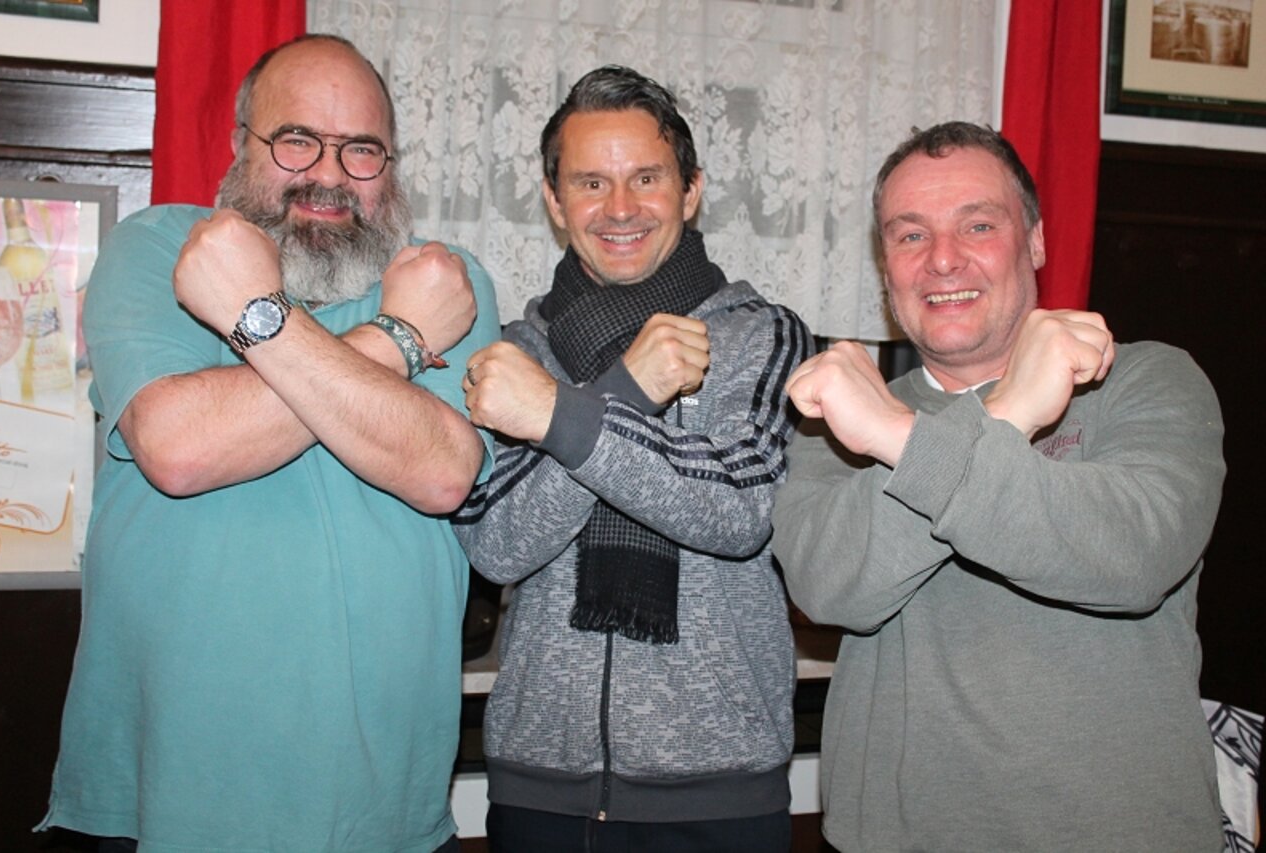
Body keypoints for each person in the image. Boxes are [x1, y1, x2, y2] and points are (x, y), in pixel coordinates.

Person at [39, 35, 499, 853]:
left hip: (378, 808)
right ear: (240, 143)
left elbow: (441, 471)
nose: (329, 174)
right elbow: (179, 447)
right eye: (296, 140)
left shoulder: (440, 279)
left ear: (391, 167)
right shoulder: (163, 250)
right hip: (163, 798)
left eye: (361, 150)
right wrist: (398, 340)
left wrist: (266, 325)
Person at [772, 121, 1226, 852]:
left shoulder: (1145, 379)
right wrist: (1007, 414)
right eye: (910, 234)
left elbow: (1131, 559)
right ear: (885, 267)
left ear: (1036, 240)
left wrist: (897, 437)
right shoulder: (841, 416)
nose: (942, 258)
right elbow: (830, 586)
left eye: (978, 225)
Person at [450, 65, 812, 853]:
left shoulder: (762, 335)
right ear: (554, 202)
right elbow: (498, 544)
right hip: (539, 787)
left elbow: (739, 511)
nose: (619, 208)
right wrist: (627, 389)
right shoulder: (518, 351)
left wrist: (563, 414)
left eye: (646, 177)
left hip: (720, 792)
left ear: (691, 190)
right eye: (590, 182)